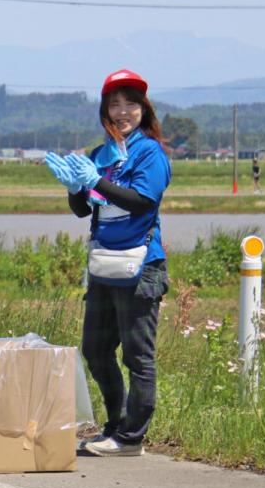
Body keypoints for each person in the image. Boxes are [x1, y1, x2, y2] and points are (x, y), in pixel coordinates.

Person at [44, 68, 170, 458]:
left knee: (137, 355)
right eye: (114, 104)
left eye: (130, 103)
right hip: (104, 266)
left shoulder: (150, 152)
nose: (122, 111)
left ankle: (132, 438)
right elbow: (84, 210)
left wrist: (95, 182)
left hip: (140, 266)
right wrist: (76, 188)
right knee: (96, 349)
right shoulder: (101, 155)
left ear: (143, 109)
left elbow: (141, 201)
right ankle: (114, 427)